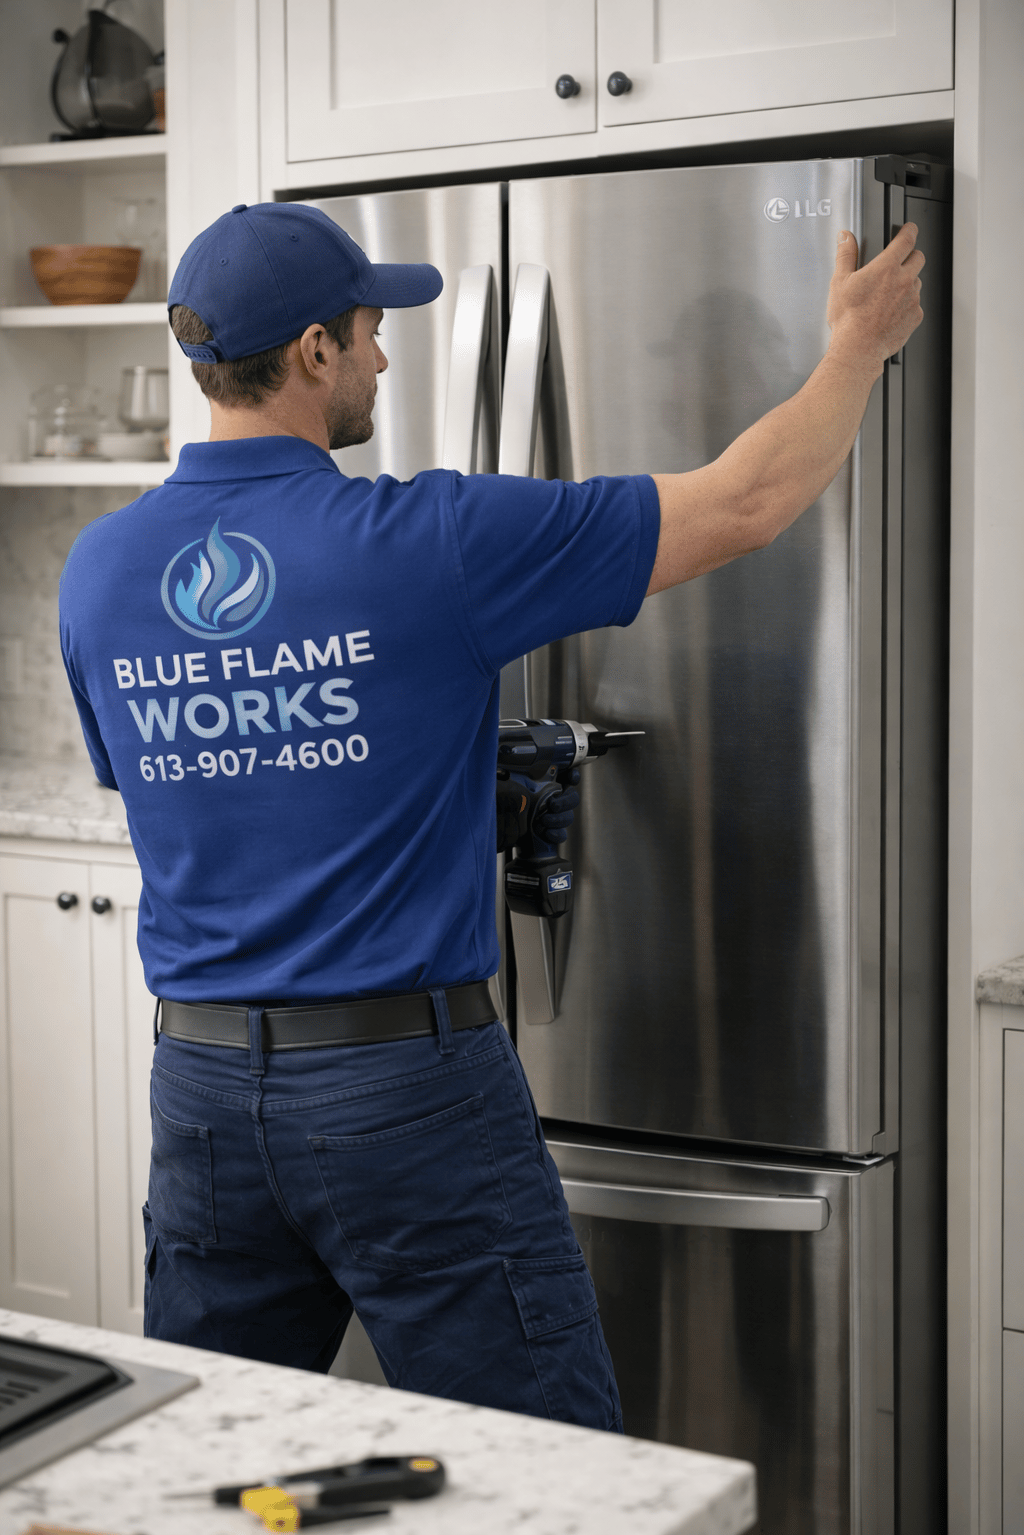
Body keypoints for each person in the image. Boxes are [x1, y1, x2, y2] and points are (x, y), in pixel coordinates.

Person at [58, 202, 923, 1432]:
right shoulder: (428, 540)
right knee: (552, 1474)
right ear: (311, 352)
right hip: (403, 1093)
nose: (384, 358)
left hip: (201, 1096)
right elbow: (743, 503)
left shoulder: (98, 569)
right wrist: (855, 350)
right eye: (366, 331)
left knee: (210, 1463)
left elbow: (200, 781)